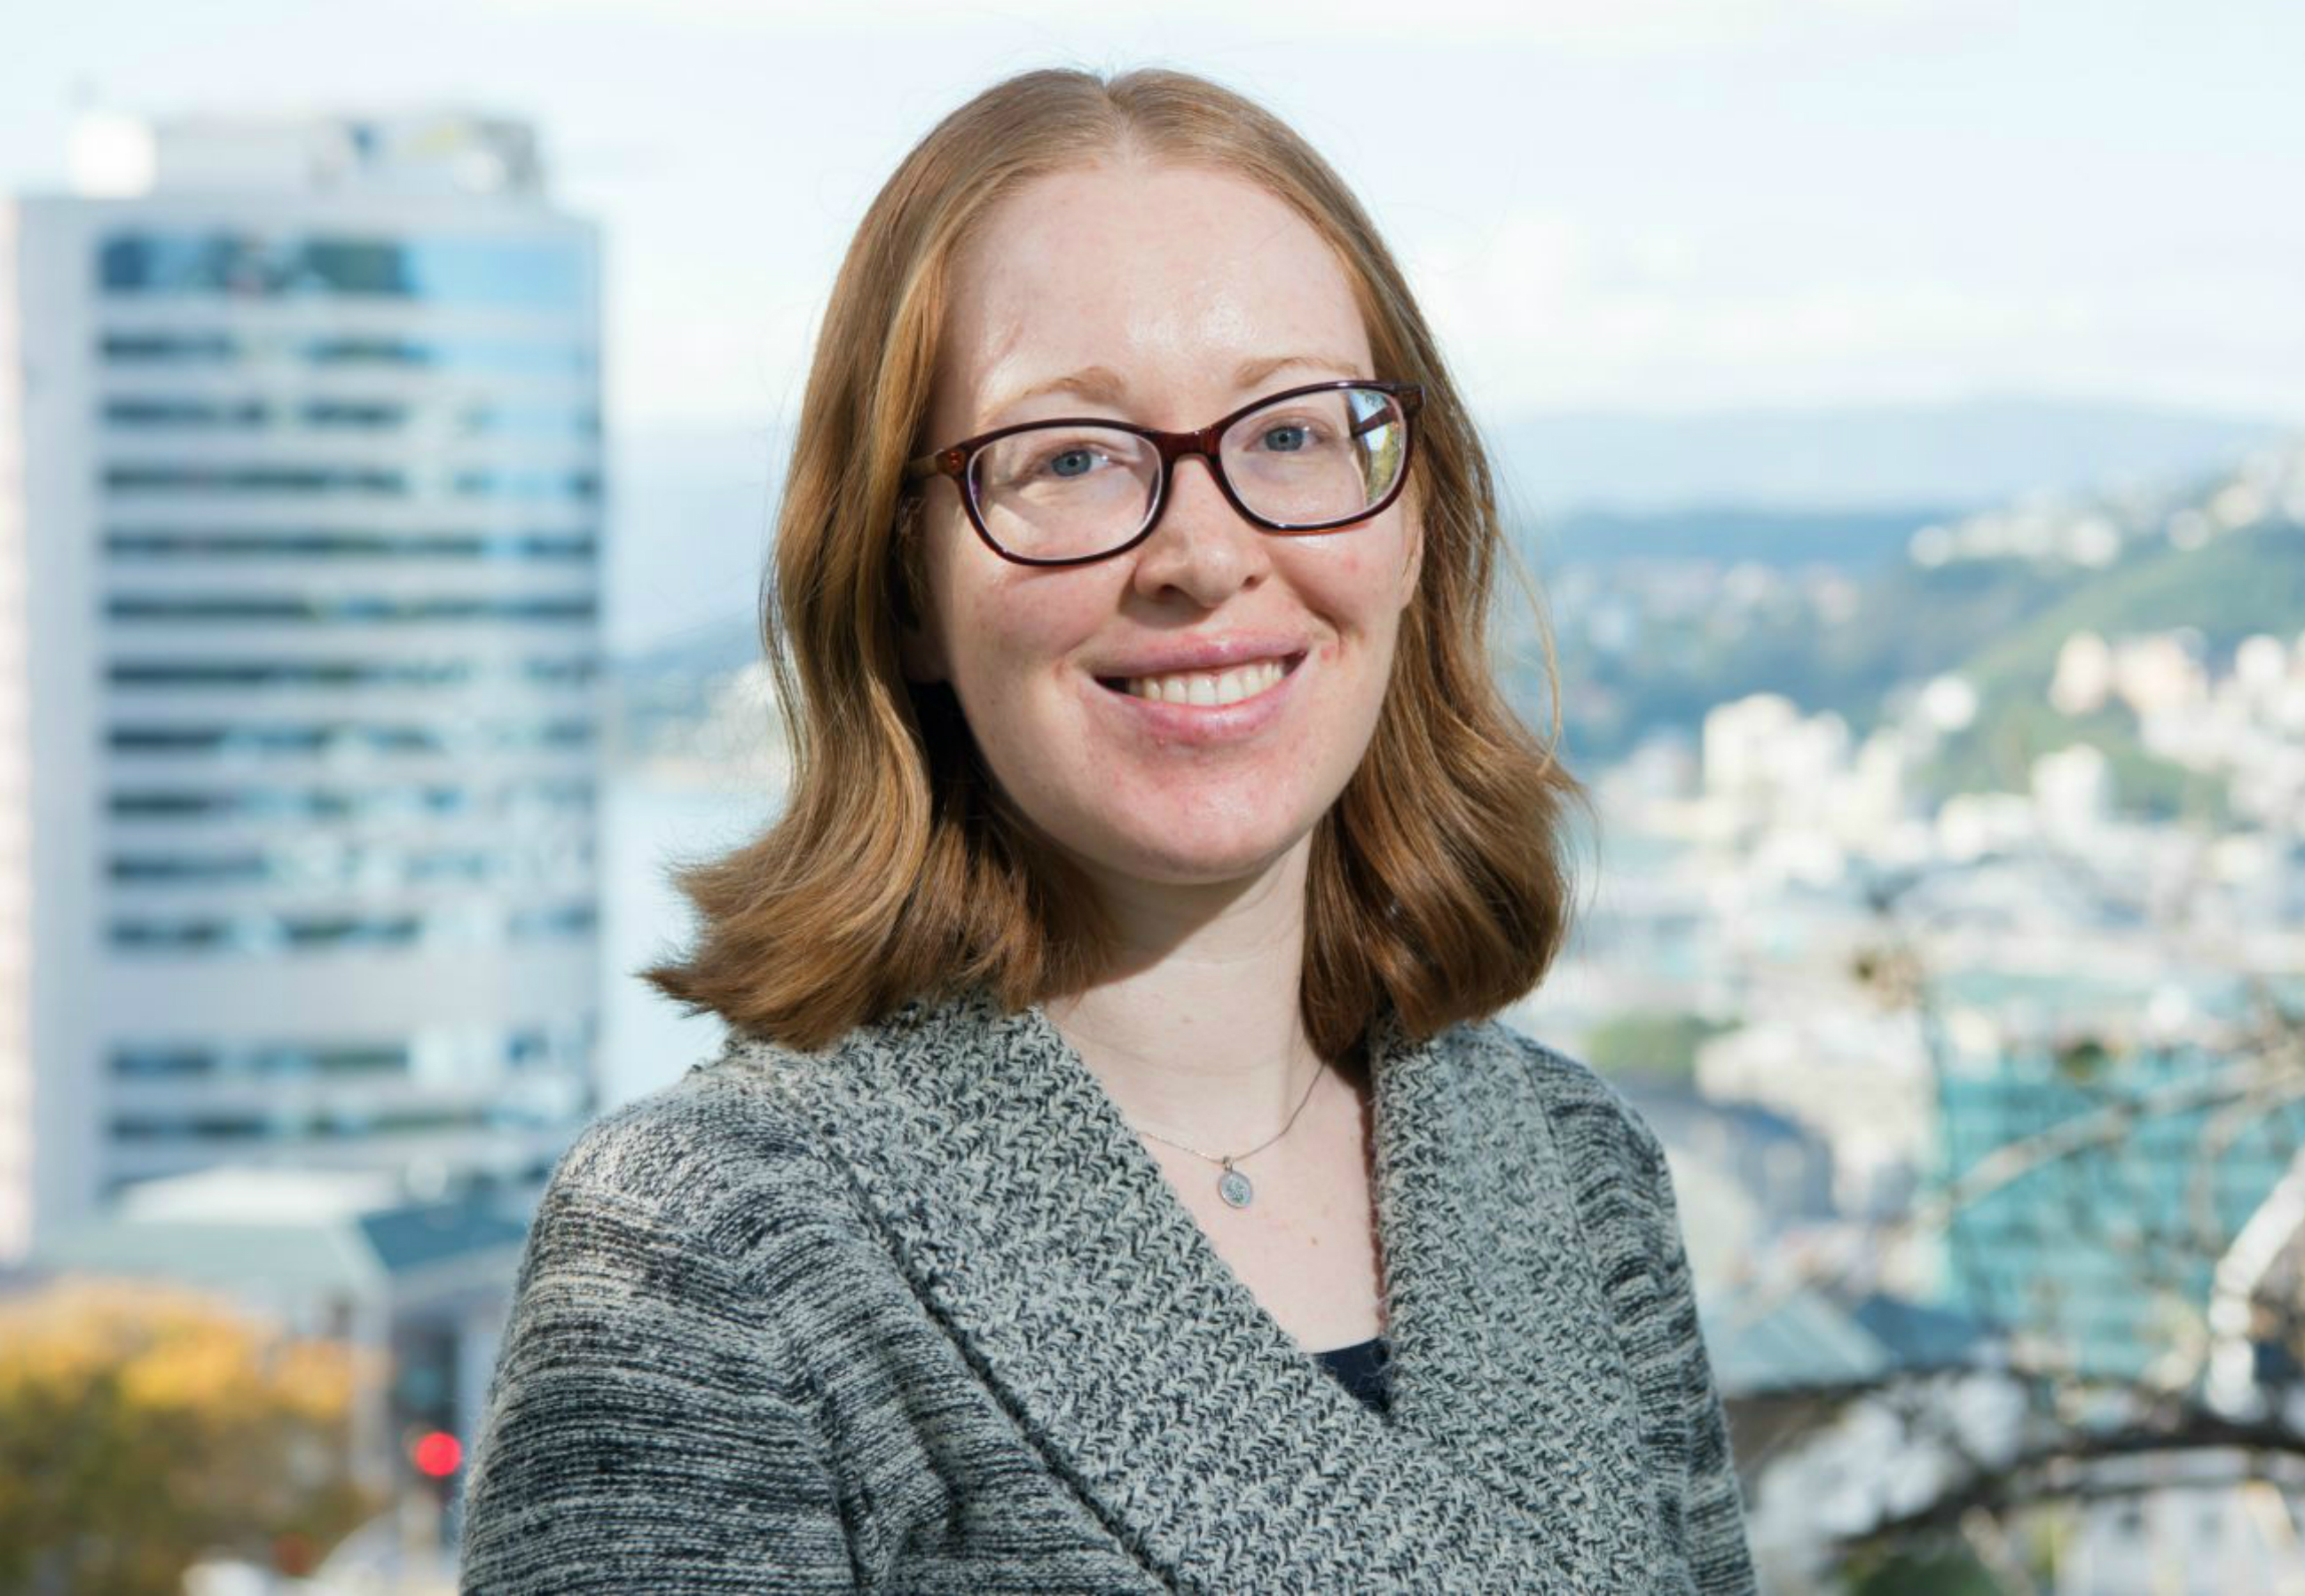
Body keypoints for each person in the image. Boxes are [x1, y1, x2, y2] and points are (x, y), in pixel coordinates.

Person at [456, 64, 1755, 1593]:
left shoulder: (1572, 1167)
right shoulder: (709, 1255)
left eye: (1291, 434)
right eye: (1068, 457)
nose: (1207, 554)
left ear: (1413, 522)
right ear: (901, 583)